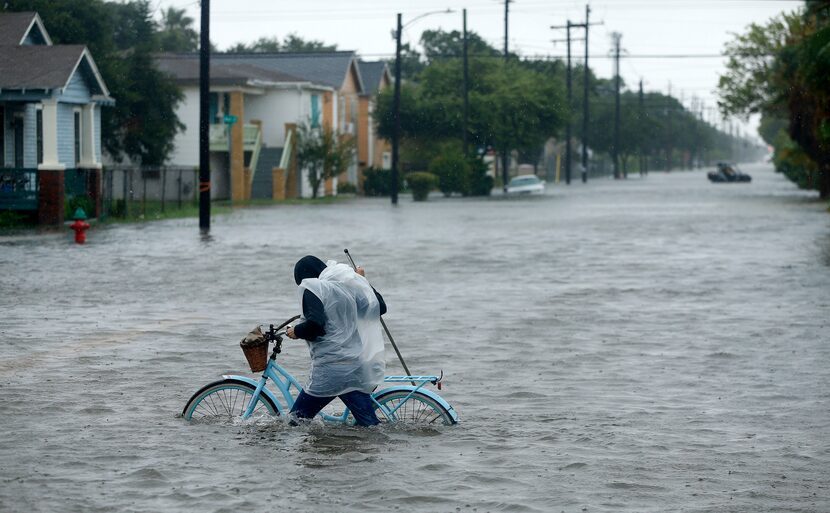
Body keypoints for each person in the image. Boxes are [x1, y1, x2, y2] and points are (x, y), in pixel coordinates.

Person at [286, 255, 387, 426]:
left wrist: (296, 330)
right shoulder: (345, 288)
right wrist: (362, 282)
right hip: (356, 365)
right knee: (370, 426)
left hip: (332, 370)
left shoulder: (312, 287)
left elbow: (315, 326)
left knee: (296, 421)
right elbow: (380, 307)